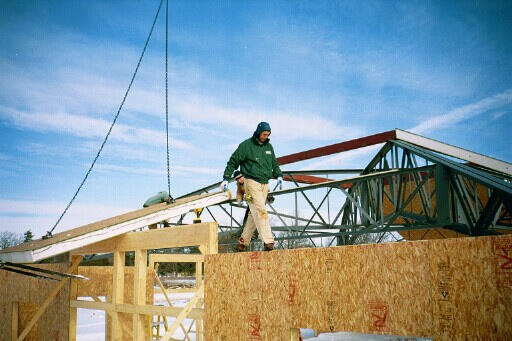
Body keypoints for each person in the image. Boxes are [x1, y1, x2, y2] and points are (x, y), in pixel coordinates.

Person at [221, 122, 283, 251]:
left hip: (265, 183)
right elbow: (233, 161)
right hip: (251, 183)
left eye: (268, 135)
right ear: (259, 132)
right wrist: (226, 178)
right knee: (261, 210)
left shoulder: (269, 147)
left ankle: (243, 241)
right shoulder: (246, 146)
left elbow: (274, 163)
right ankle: (268, 241)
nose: (266, 136)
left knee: (253, 213)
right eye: (264, 134)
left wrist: (279, 176)